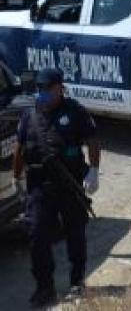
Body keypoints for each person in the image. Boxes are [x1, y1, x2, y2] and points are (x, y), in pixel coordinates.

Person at [12, 67, 100, 307]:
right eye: (41, 89)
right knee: (37, 235)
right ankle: (44, 288)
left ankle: (76, 282)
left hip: (70, 184)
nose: (44, 93)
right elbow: (20, 147)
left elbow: (92, 139)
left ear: (60, 88)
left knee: (75, 234)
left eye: (49, 89)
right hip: (39, 187)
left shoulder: (75, 112)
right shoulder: (29, 116)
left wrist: (93, 171)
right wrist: (16, 178)